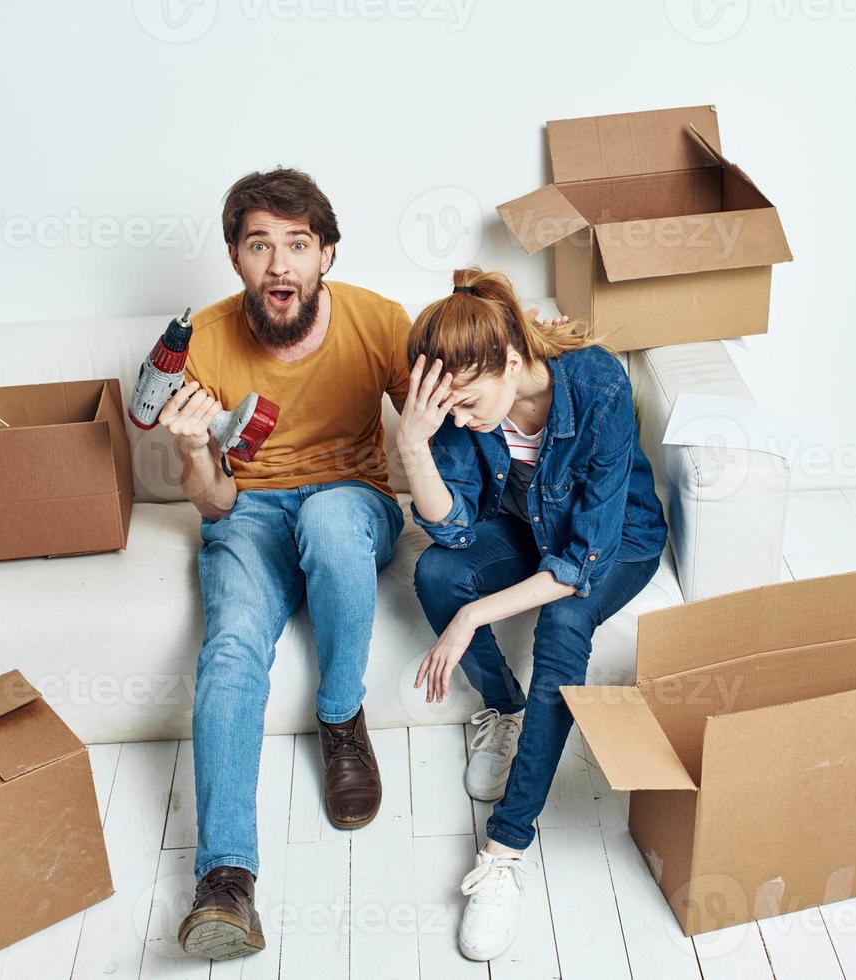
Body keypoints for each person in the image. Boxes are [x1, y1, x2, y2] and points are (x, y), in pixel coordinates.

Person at [162, 167, 415, 960]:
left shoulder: (380, 322)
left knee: (334, 520)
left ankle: (340, 718)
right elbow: (210, 503)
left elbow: (440, 433)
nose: (280, 264)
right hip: (248, 511)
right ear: (237, 258)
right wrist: (192, 448)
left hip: (351, 499)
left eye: (297, 244)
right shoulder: (201, 339)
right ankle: (226, 881)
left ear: (326, 254)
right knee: (233, 646)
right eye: (260, 245)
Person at [396, 267, 668, 961]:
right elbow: (452, 533)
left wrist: (472, 618)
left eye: (466, 402)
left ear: (512, 360)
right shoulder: (463, 411)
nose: (460, 419)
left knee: (565, 622)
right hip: (526, 532)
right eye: (446, 409)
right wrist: (412, 445)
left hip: (614, 543)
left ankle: (505, 851)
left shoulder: (597, 383)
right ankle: (503, 707)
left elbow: (580, 560)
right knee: (435, 573)